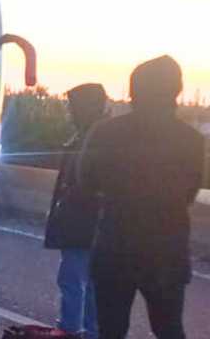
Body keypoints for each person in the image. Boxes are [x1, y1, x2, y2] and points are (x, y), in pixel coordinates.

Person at [77, 56, 206, 339]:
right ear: (176, 90)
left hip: (115, 247)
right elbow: (190, 192)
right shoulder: (192, 140)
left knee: (110, 329)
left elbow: (85, 181)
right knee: (169, 328)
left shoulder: (106, 132)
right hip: (168, 250)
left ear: (134, 90)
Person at [43, 83, 108, 339]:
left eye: (73, 107)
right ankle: (91, 331)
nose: (70, 113)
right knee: (91, 283)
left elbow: (84, 185)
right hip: (92, 224)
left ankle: (70, 330)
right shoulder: (96, 136)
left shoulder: (91, 139)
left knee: (73, 280)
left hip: (83, 223)